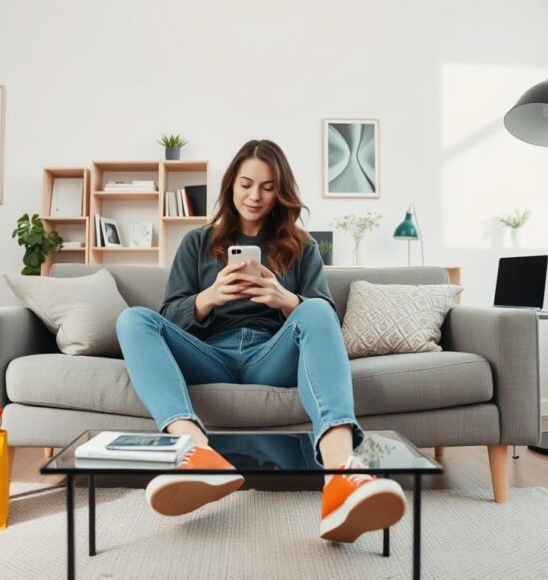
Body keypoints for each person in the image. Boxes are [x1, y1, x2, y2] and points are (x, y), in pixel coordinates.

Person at [115, 139, 406, 543]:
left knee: (316, 309)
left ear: (280, 191)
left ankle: (343, 475)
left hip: (273, 355)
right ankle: (197, 454)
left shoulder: (301, 246)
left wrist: (285, 301)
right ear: (231, 184)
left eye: (268, 187)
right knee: (133, 320)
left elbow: (321, 319)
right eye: (246, 183)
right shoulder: (197, 243)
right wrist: (208, 298)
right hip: (209, 353)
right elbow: (167, 317)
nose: (255, 196)